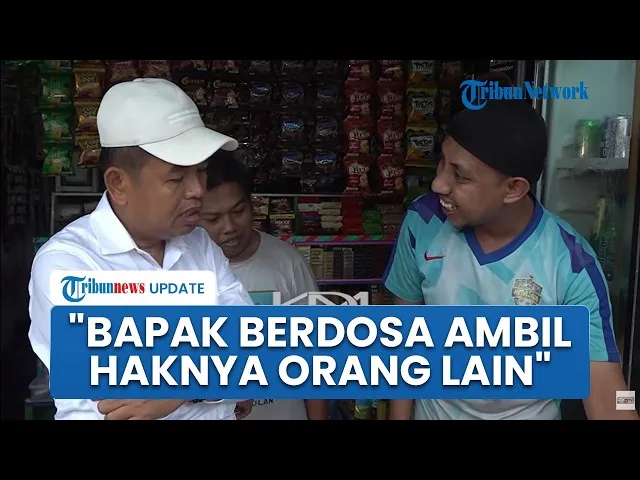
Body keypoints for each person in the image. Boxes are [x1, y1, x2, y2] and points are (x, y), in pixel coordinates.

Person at [384, 97, 639, 420]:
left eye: (460, 176)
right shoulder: (423, 222)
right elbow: (404, 342)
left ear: (513, 189)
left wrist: (628, 405)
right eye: (442, 163)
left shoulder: (571, 265)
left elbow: (609, 395)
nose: (438, 184)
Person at [28, 78, 255, 420]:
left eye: (201, 171)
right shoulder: (67, 264)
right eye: (176, 178)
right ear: (118, 183)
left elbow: (253, 347)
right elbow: (117, 391)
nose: (197, 190)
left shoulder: (200, 245)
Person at [199, 152, 329, 420]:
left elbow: (317, 359)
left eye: (238, 211)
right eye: (213, 219)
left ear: (252, 205)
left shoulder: (288, 261)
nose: (229, 227)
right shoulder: (181, 271)